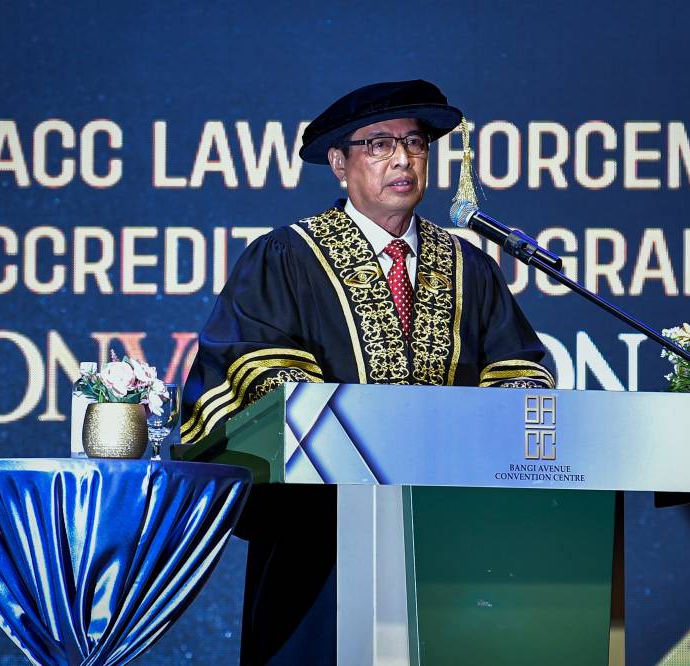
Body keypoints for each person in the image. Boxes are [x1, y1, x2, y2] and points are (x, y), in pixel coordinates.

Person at [180, 79, 554, 665]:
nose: (403, 158)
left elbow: (519, 371)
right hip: (319, 540)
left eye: (415, 143)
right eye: (378, 144)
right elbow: (261, 375)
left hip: (448, 541)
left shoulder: (471, 267)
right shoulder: (288, 257)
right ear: (338, 162)